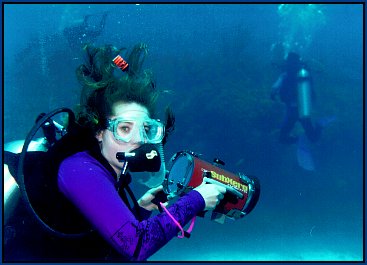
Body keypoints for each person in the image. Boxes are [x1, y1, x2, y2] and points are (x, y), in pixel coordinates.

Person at [4, 43, 226, 262]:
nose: (138, 139)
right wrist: (197, 200)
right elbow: (136, 246)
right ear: (100, 132)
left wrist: (142, 208)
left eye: (146, 129)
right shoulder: (81, 170)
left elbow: (108, 243)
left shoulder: (107, 172)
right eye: (124, 128)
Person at [270, 52, 322, 144]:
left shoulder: (285, 75)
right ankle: (319, 126)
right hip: (303, 111)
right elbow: (312, 90)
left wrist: (273, 95)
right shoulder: (304, 73)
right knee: (313, 138)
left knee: (282, 138)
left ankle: (298, 139)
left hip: (292, 112)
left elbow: (274, 88)